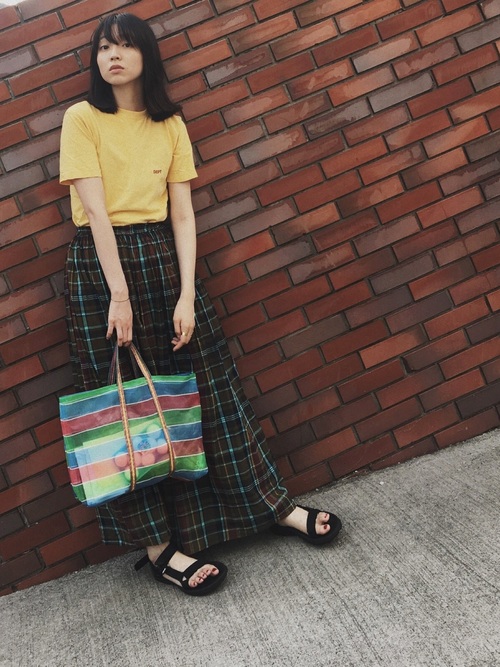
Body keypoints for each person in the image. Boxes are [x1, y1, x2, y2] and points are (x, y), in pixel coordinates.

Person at [59, 12, 342, 597]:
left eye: (125, 46)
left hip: (164, 261)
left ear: (147, 56)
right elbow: (98, 214)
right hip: (101, 269)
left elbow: (183, 214)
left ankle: (272, 506)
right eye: (104, 47)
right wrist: (119, 295)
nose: (113, 56)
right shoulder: (81, 119)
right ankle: (160, 550)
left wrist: (187, 293)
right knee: (126, 408)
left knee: (210, 391)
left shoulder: (169, 123)